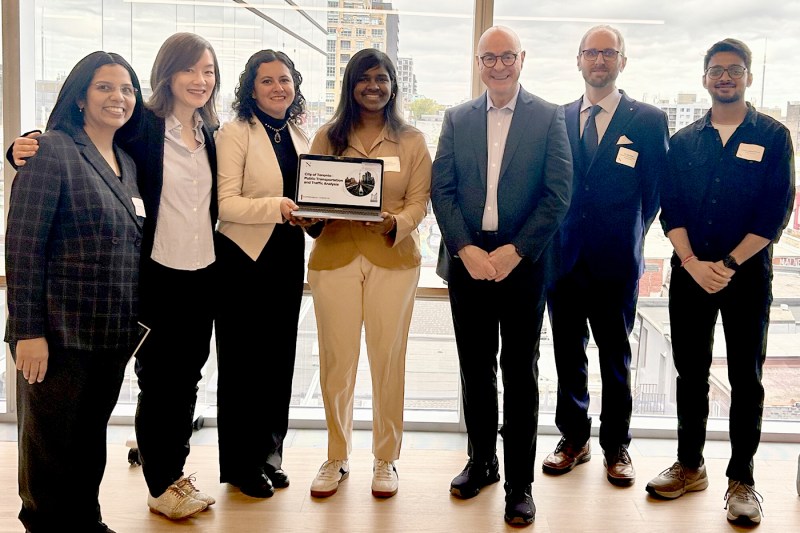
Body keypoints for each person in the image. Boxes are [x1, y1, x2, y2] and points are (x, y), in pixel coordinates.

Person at [10, 32, 222, 520]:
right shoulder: (140, 127)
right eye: (189, 69)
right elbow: (31, 227)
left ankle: (105, 507)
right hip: (146, 282)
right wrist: (19, 149)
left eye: (208, 71)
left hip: (191, 280)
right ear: (166, 74)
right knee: (143, 391)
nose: (199, 79)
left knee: (167, 391)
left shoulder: (210, 133)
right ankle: (156, 483)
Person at [646, 38, 795, 525]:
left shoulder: (773, 136)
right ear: (705, 78)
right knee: (690, 374)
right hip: (690, 274)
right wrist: (692, 262)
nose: (724, 77)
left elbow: (775, 213)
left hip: (746, 276)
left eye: (733, 69)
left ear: (747, 76)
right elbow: (671, 209)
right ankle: (690, 466)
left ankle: (742, 480)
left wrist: (727, 264)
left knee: (745, 379)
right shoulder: (685, 140)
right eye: (716, 70)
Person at [431, 26, 572, 526]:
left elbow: (558, 193)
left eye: (506, 56)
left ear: (521, 59)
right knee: (475, 370)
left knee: (520, 374)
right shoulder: (456, 118)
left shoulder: (549, 117)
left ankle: (520, 484)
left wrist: (517, 250)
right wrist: (465, 249)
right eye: (488, 58)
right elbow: (441, 189)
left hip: (523, 267)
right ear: (478, 62)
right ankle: (482, 462)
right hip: (468, 264)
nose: (498, 66)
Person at [5, 51, 144, 533]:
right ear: (80, 97)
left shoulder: (126, 162)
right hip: (56, 334)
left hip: (109, 332)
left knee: (87, 441)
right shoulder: (52, 151)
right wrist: (28, 332)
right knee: (50, 448)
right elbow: (23, 246)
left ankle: (86, 523)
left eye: (126, 89)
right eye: (105, 87)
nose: (118, 97)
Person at [542, 25, 668, 486]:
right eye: (591, 52)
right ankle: (573, 438)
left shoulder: (648, 119)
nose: (599, 60)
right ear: (578, 60)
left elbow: (654, 193)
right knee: (567, 353)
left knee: (616, 357)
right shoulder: (557, 117)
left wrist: (625, 233)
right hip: (563, 259)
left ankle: (616, 446)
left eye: (608, 53)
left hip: (616, 261)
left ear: (622, 61)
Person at [304, 48, 432, 500]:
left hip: (392, 259)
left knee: (387, 361)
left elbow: (419, 201)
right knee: (336, 363)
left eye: (382, 79)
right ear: (350, 85)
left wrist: (396, 223)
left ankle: (385, 457)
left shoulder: (412, 140)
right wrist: (310, 214)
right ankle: (336, 455)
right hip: (334, 258)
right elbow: (312, 192)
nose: (373, 87)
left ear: (393, 86)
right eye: (364, 78)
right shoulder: (327, 136)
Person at [214, 49, 310, 498]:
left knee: (278, 361)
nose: (278, 88)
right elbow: (225, 204)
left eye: (284, 80)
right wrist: (278, 207)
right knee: (242, 366)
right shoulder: (235, 133)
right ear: (250, 89)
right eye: (267, 80)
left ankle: (269, 455)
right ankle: (240, 464)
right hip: (242, 259)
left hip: (287, 255)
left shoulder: (298, 133)